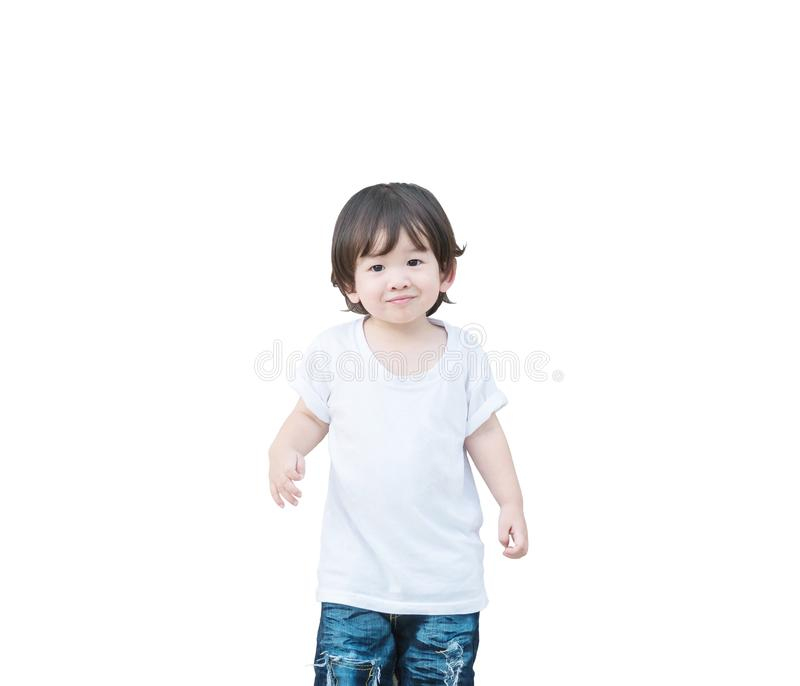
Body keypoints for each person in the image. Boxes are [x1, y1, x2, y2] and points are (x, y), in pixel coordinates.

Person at [268, 182, 528, 685]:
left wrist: (511, 502)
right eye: (377, 267)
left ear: (445, 271)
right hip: (354, 581)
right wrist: (283, 449)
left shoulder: (464, 354)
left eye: (414, 261)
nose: (398, 280)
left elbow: (485, 434)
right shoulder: (335, 351)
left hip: (444, 585)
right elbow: (308, 417)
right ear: (349, 284)